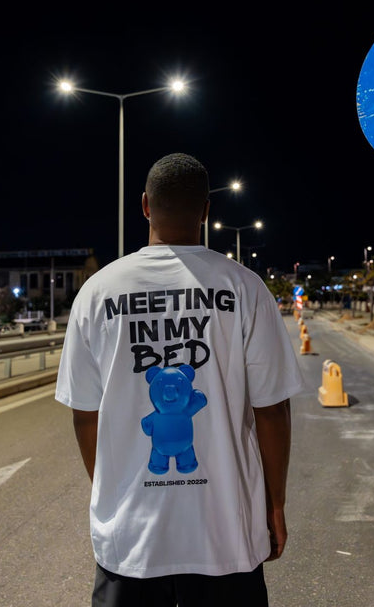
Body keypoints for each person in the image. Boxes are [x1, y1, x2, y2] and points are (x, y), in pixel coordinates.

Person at [55, 152, 305, 607]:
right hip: (226, 538)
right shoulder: (244, 288)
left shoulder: (97, 293)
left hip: (130, 542)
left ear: (146, 206)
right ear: (206, 211)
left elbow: (85, 414)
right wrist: (274, 503)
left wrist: (108, 490)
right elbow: (272, 409)